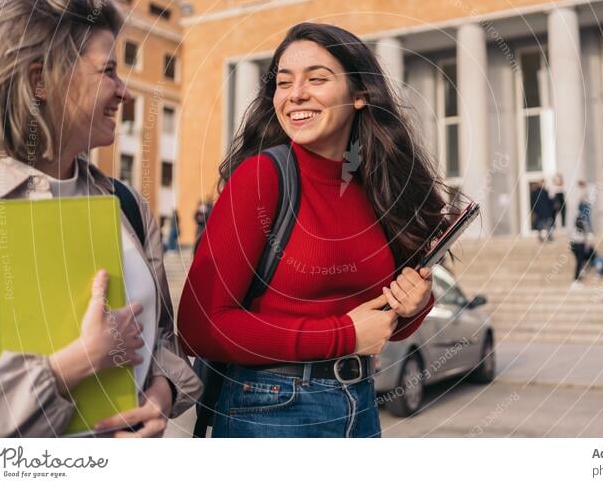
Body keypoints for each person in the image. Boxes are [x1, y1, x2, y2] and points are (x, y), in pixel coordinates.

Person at [178, 22, 453, 438]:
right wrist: (342, 335)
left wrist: (414, 306)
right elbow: (200, 326)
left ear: (360, 94)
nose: (295, 94)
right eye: (283, 82)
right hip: (272, 407)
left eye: (317, 79)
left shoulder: (376, 186)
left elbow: (376, 327)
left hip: (359, 402)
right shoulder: (261, 178)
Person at [0, 0, 201, 437]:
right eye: (107, 70)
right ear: (39, 81)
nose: (123, 91)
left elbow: (164, 337)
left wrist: (161, 394)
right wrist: (78, 362)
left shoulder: (127, 205)